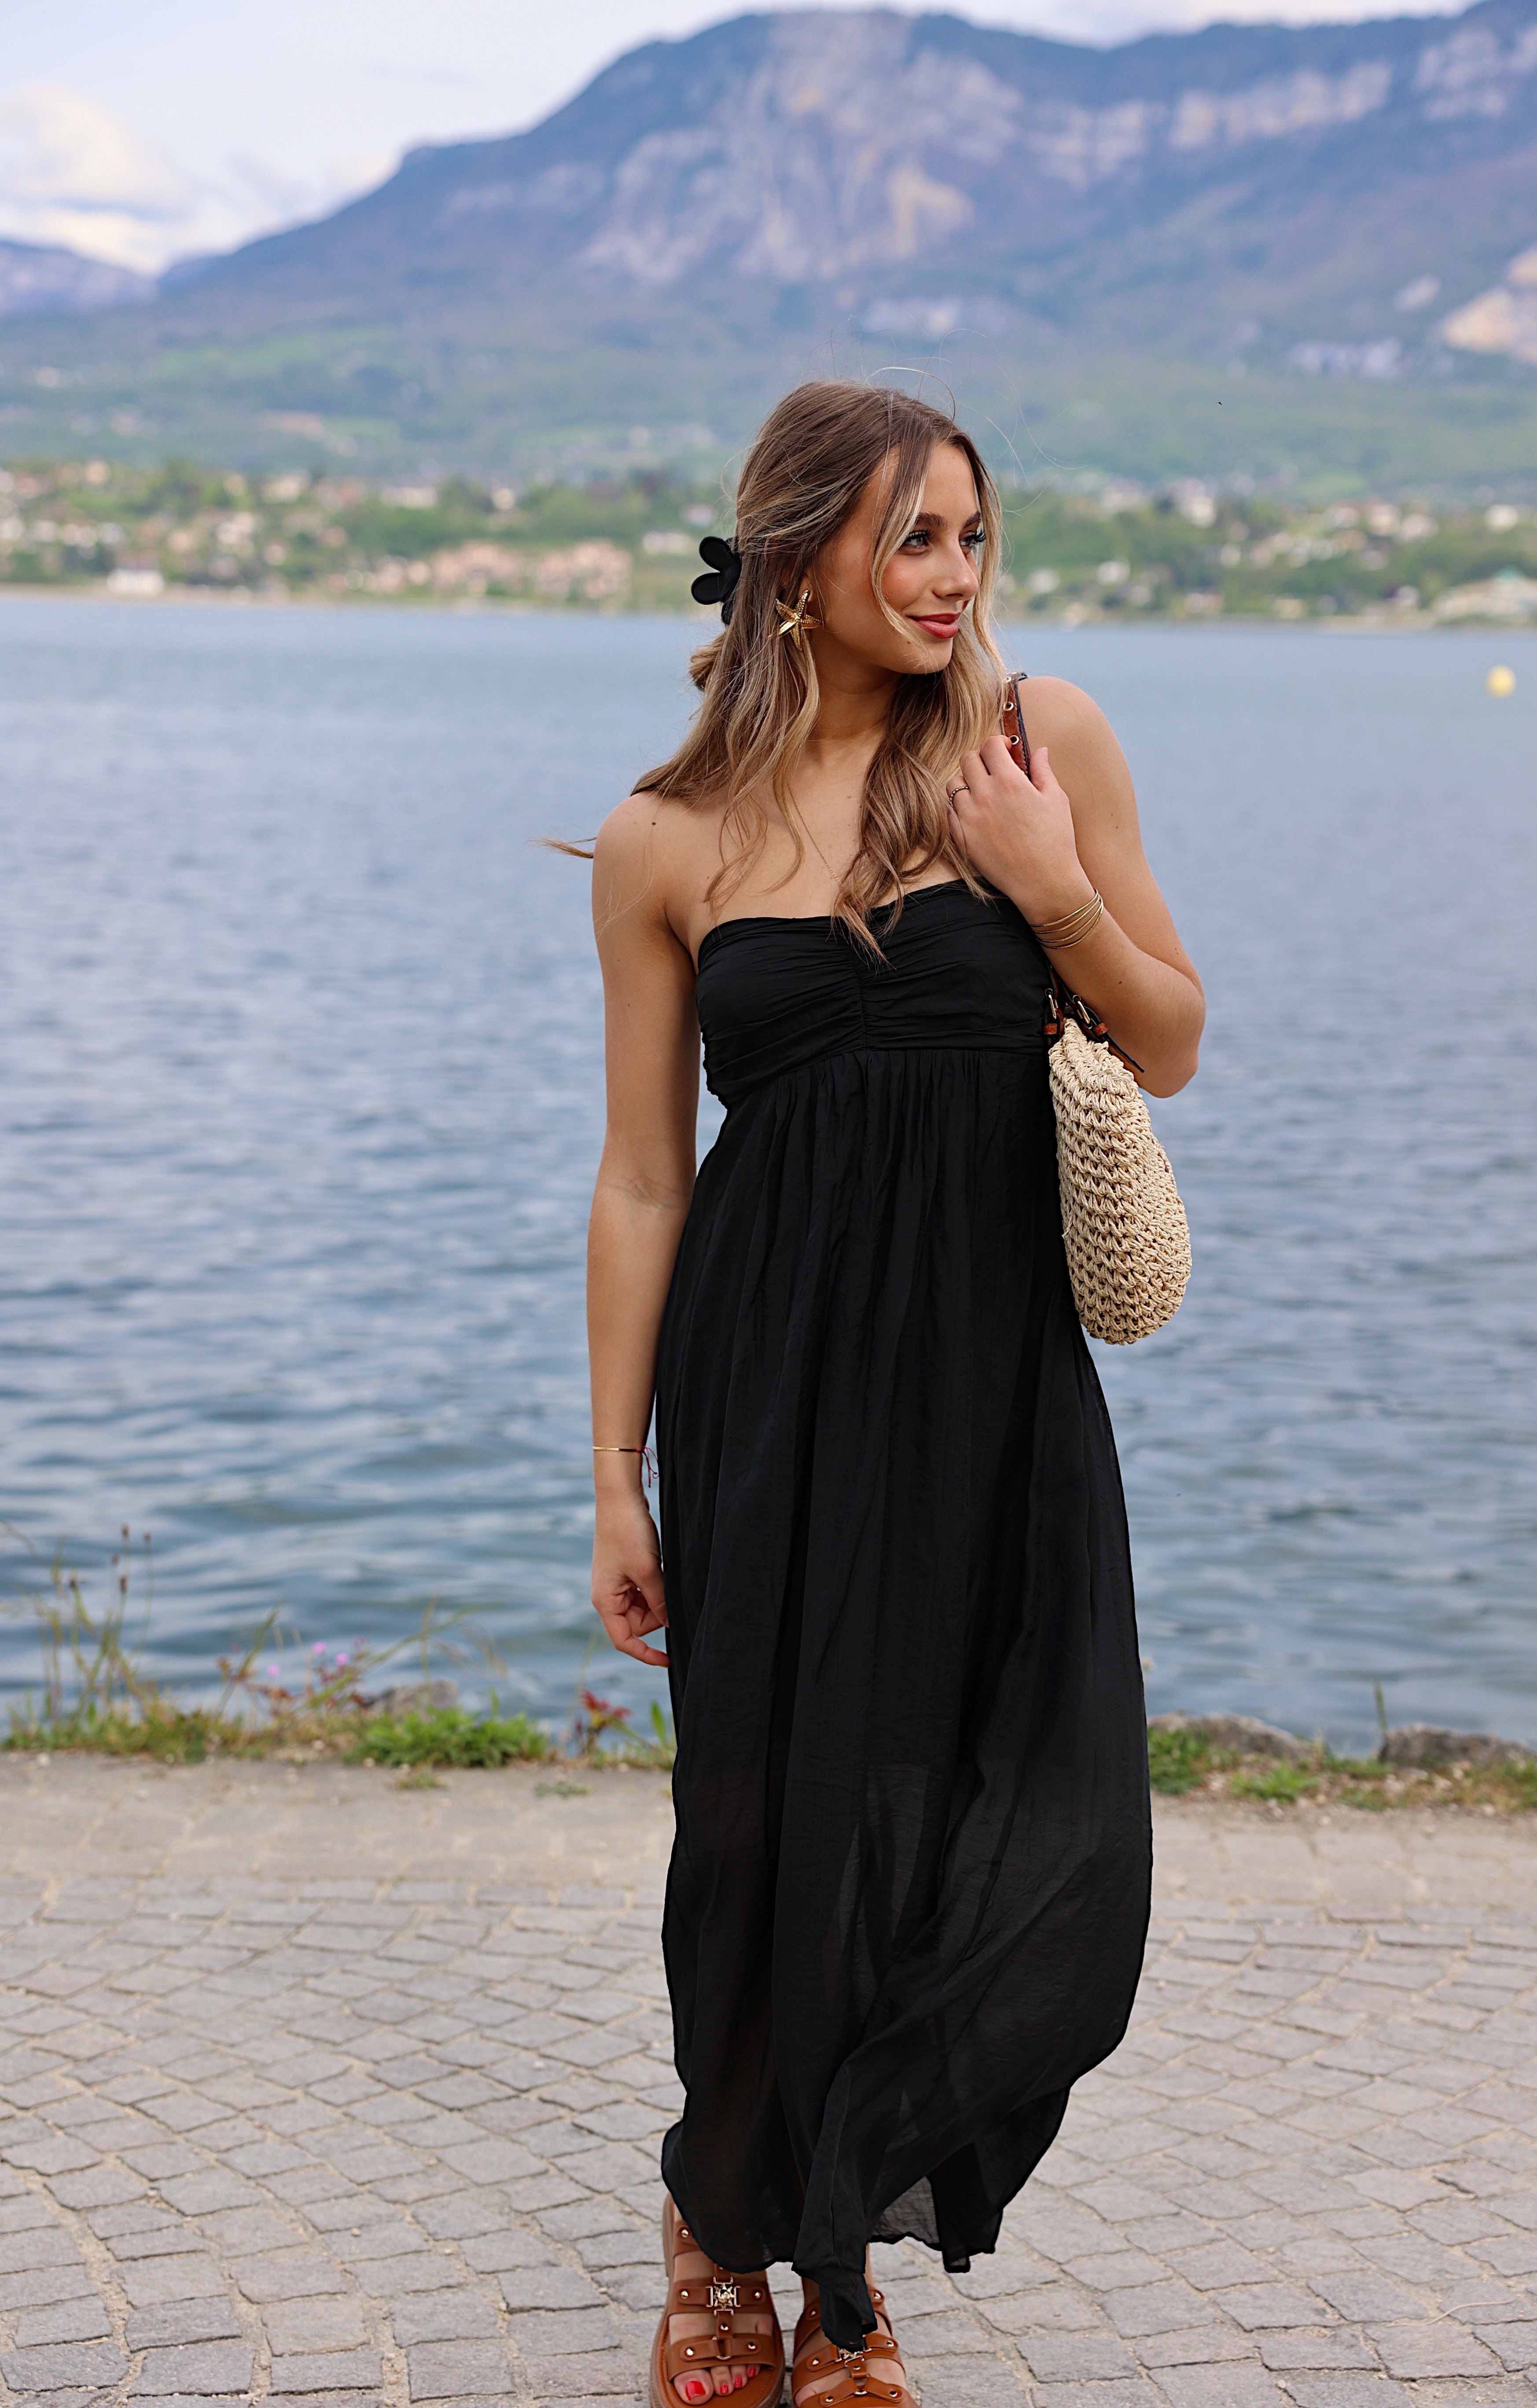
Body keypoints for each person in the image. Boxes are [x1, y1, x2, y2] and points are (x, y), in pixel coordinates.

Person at [581, 381, 1204, 2408]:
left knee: (998, 1804)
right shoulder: (666, 839)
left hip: (993, 1380)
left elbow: (1172, 1036)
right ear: (794, 558)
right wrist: (616, 1474)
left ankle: (840, 2233)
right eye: (911, 536)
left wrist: (1050, 885)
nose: (953, 577)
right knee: (758, 1815)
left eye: (973, 536)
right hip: (760, 1382)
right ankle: (729, 2233)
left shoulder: (1041, 747)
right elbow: (645, 1176)